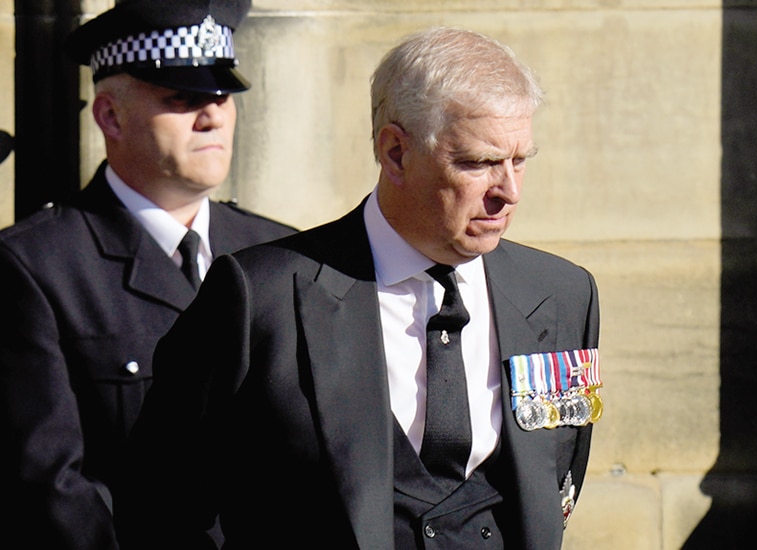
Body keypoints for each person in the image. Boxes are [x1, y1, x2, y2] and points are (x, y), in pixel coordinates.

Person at [115, 26, 602, 549]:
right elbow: (160, 505)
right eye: (478, 163)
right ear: (395, 153)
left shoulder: (561, 293)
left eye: (520, 160)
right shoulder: (261, 297)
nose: (508, 191)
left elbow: (558, 475)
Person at [0, 1, 295, 548]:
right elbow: (50, 486)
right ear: (111, 116)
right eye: (181, 99)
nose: (211, 116)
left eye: (221, 96)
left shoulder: (277, 250)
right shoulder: (35, 267)